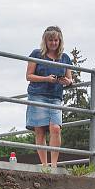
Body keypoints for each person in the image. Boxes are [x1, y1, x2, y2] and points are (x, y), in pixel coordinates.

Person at [26, 26, 73, 168]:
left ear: (60, 41)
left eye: (56, 40)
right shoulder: (36, 54)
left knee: (56, 128)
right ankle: (44, 165)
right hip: (38, 94)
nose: (53, 43)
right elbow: (29, 76)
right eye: (50, 40)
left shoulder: (65, 58)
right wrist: (46, 78)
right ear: (45, 41)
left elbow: (70, 79)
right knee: (40, 130)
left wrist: (67, 82)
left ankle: (53, 164)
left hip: (55, 96)